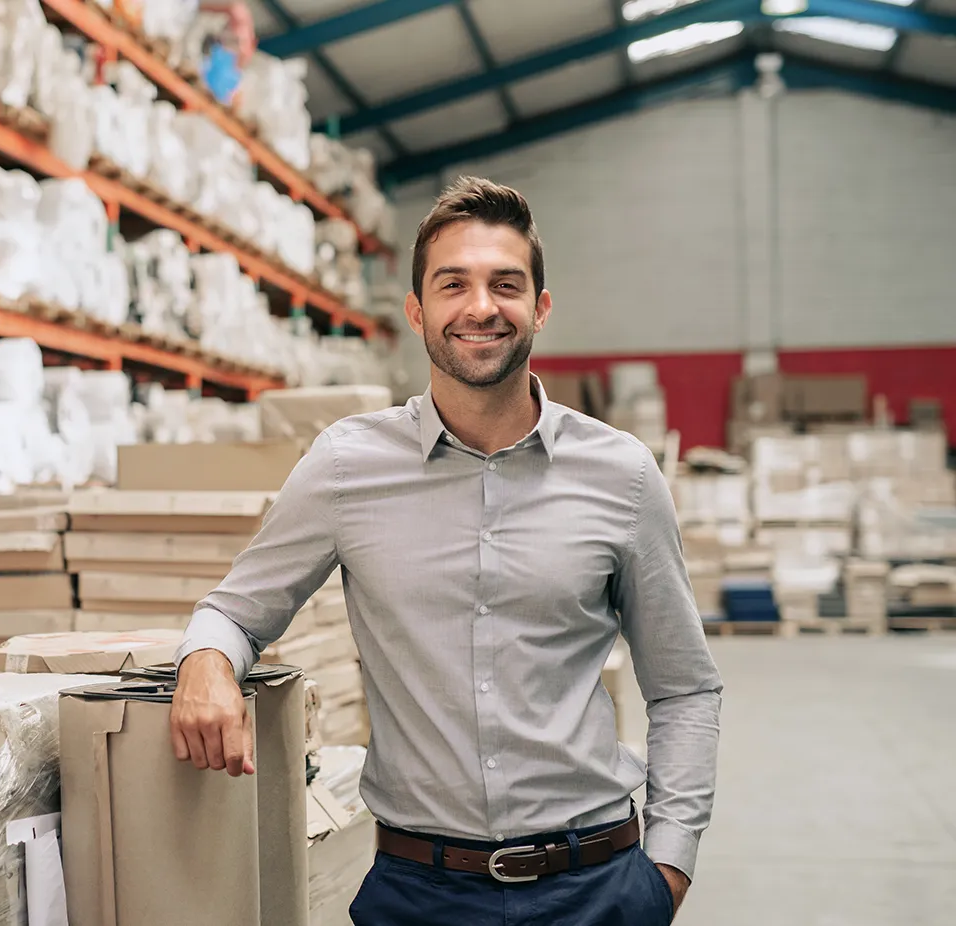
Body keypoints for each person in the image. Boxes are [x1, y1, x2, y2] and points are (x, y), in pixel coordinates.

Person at [169, 176, 723, 925]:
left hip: (596, 885)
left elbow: (684, 686)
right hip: (419, 891)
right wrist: (206, 665)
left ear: (541, 308)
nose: (481, 306)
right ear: (417, 311)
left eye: (506, 283)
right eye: (453, 283)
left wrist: (668, 869)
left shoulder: (620, 475)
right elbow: (235, 611)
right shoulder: (345, 467)